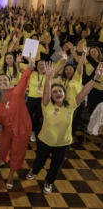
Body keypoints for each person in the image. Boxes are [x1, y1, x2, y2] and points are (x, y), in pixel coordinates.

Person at [26, 62, 103, 195]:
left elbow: (85, 91)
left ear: (64, 93)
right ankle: (34, 171)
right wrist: (48, 77)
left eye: (60, 91)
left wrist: (96, 77)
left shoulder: (72, 104)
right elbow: (45, 91)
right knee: (39, 161)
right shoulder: (46, 104)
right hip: (45, 140)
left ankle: (49, 182)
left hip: (63, 143)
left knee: (56, 166)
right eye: (54, 91)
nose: (57, 93)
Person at [0, 54, 35, 189]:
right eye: (0, 81)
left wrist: (31, 65)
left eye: (5, 80)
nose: (3, 82)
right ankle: (2, 160)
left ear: (10, 83)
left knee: (16, 152)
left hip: (22, 128)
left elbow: (25, 78)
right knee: (3, 147)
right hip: (6, 128)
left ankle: (11, 174)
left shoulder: (17, 92)